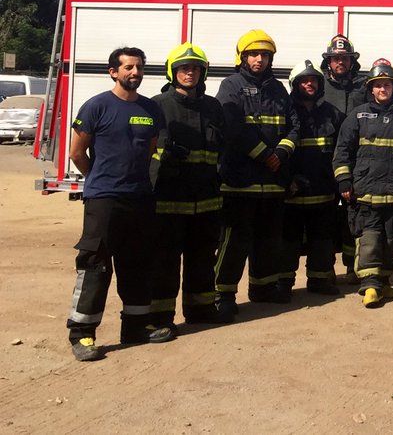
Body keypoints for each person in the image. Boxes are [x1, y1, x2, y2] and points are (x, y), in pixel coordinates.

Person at [66, 46, 173, 362]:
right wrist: (98, 180)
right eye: (128, 67)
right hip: (104, 199)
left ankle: (136, 328)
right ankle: (82, 333)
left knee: (137, 263)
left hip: (139, 197)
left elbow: (150, 150)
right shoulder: (96, 106)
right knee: (95, 264)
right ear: (113, 72)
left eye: (139, 67)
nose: (135, 72)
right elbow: (76, 152)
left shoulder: (150, 109)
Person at [214, 29, 299, 316]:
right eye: (253, 54)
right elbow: (232, 126)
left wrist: (282, 153)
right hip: (240, 182)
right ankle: (223, 294)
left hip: (272, 182)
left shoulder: (279, 89)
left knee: (268, 240)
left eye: (264, 54)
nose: (259, 59)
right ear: (242, 57)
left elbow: (294, 126)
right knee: (234, 242)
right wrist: (264, 154)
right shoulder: (231, 86)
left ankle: (262, 288)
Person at [148, 43, 228, 337]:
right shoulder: (157, 105)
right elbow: (145, 150)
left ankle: (201, 309)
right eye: (184, 68)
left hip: (206, 200)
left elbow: (223, 149)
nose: (190, 73)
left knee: (203, 258)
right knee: (165, 262)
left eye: (195, 68)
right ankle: (160, 317)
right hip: (169, 200)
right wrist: (164, 156)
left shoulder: (213, 107)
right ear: (172, 72)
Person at [333, 60, 393, 307]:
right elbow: (342, 150)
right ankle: (370, 285)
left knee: (390, 239)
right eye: (378, 85)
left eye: (387, 85)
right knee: (369, 236)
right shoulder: (357, 115)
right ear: (371, 89)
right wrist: (344, 179)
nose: (382, 89)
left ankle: (384, 281)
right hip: (365, 190)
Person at [280, 60, 344, 297]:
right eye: (304, 81)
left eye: (314, 80)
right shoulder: (286, 112)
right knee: (289, 241)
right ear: (295, 84)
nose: (310, 84)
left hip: (323, 190)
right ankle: (284, 283)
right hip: (292, 192)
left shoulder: (332, 114)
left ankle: (319, 280)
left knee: (322, 240)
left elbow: (341, 150)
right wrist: (287, 180)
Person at [321, 34, 368, 283]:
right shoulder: (319, 85)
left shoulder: (363, 87)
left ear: (352, 61)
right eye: (336, 58)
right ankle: (325, 269)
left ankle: (352, 267)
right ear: (328, 61)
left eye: (345, 58)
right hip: (324, 162)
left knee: (354, 215)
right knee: (326, 218)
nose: (341, 62)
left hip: (357, 161)